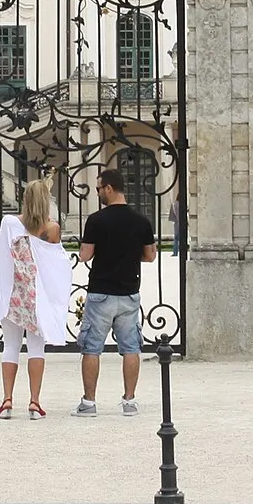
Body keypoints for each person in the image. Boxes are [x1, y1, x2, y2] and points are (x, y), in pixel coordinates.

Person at [0, 177, 70, 420]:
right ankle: (34, 402)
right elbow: (57, 265)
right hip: (37, 296)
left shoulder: (10, 223)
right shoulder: (52, 229)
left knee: (10, 346)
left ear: (25, 199)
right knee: (36, 347)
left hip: (14, 295)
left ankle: (7, 400)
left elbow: (1, 259)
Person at [76, 166, 156, 416]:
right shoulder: (141, 220)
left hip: (101, 290)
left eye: (99, 188)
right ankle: (129, 401)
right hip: (129, 291)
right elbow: (150, 255)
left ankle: (89, 403)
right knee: (131, 348)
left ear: (109, 188)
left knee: (92, 348)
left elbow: (84, 255)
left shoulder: (96, 220)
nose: (98, 192)